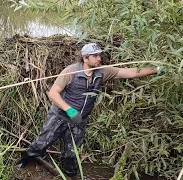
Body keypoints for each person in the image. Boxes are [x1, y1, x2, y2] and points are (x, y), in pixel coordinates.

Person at [16, 43, 165, 177]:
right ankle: (22, 165)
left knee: (72, 153)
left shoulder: (102, 72)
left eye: (99, 55)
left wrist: (156, 70)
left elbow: (129, 72)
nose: (99, 58)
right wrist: (70, 110)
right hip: (60, 115)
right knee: (42, 143)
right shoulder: (71, 72)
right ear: (85, 58)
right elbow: (53, 93)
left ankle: (69, 174)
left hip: (79, 120)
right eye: (95, 56)